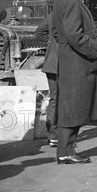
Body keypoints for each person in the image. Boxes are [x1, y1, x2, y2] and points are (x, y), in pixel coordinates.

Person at [51, 0, 97, 164]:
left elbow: (60, 32)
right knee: (72, 105)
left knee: (73, 104)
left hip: (72, 57)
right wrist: (95, 49)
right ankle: (65, 151)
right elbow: (74, 34)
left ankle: (67, 150)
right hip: (76, 59)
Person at [36, 15, 58, 147]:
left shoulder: (53, 15)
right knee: (63, 100)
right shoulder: (70, 14)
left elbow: (39, 31)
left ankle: (53, 136)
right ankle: (57, 136)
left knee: (54, 99)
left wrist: (51, 43)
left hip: (51, 63)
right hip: (63, 64)